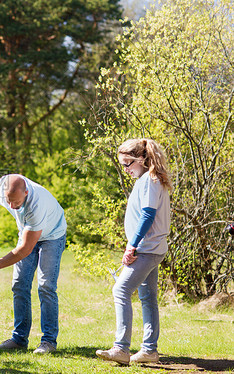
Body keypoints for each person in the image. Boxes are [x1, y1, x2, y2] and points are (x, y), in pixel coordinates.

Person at [96, 138, 171, 365]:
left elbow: (148, 215)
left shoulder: (150, 180)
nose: (125, 169)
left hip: (146, 249)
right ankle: (149, 350)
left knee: (120, 290)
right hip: (150, 248)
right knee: (148, 297)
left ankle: (121, 348)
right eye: (123, 165)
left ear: (141, 159)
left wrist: (132, 246)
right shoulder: (147, 179)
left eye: (128, 164)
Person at [0, 174, 67, 354]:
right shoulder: (0, 187)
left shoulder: (35, 202)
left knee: (46, 286)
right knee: (19, 285)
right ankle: (19, 339)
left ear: (26, 192)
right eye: (8, 201)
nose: (11, 206)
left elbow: (25, 249)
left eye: (15, 202)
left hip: (52, 236)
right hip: (27, 232)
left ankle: (48, 342)